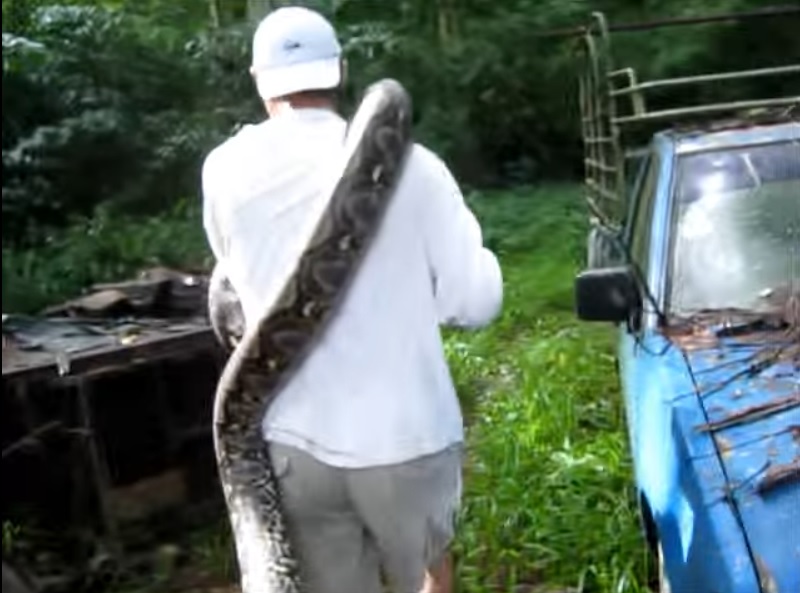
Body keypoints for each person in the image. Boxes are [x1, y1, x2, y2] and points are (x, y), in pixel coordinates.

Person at [201, 7, 503, 593]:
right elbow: (475, 303)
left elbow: (231, 277)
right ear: (339, 69)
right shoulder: (417, 168)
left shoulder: (222, 172)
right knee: (428, 578)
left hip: (293, 442)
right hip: (406, 436)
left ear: (259, 80)